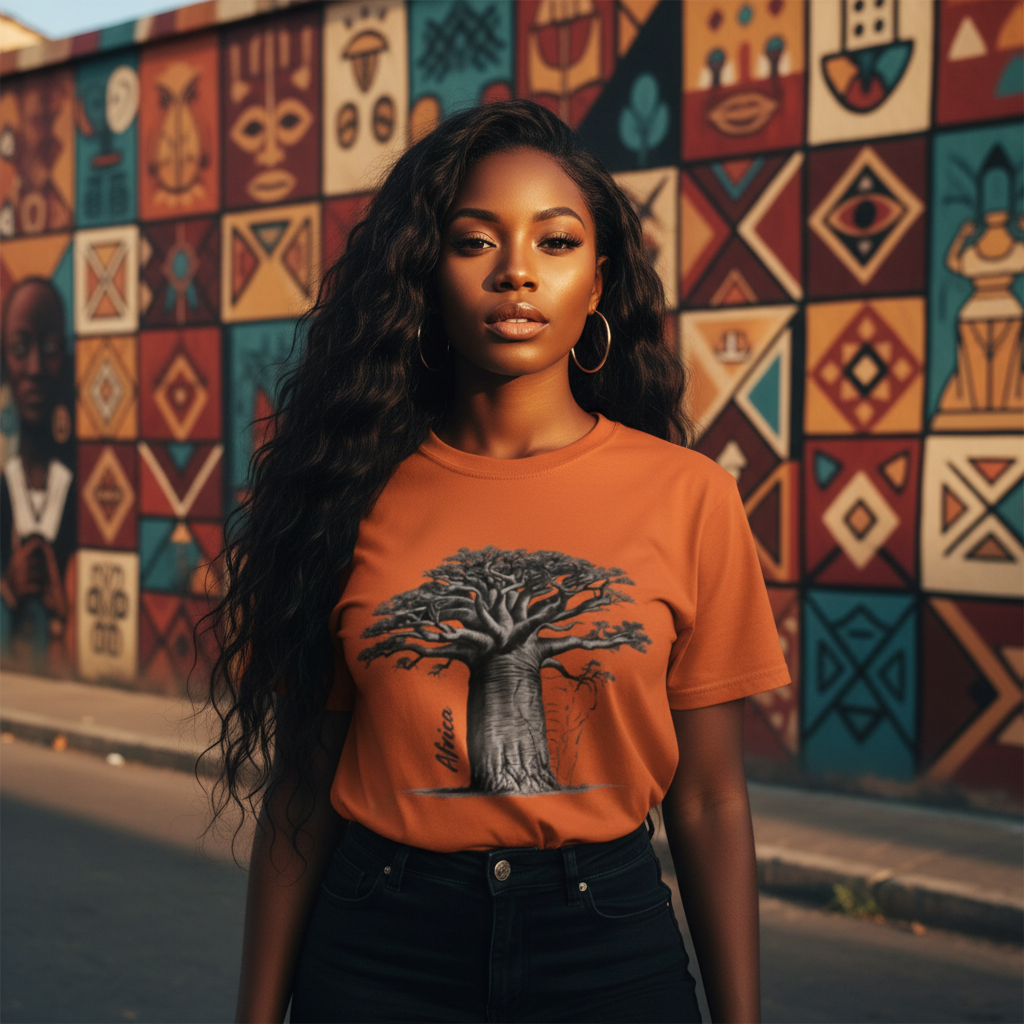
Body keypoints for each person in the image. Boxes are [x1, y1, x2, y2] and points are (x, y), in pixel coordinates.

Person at [205, 100, 790, 1024]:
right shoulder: (349, 490)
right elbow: (305, 784)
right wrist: (253, 1014)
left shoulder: (691, 497)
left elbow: (712, 796)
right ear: (427, 273)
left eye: (555, 244)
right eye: (476, 241)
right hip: (379, 945)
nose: (517, 271)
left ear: (598, 283)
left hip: (605, 943)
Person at [0, 278, 75, 672]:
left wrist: (64, 605)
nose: (35, 370)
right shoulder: (4, 486)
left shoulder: (81, 491)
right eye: (18, 348)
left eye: (49, 349)